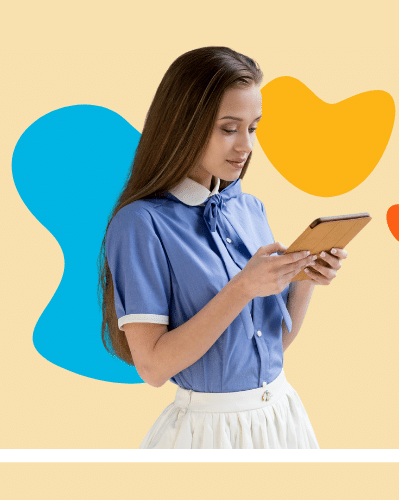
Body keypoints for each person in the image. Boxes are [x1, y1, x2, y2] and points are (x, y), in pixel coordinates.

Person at [99, 46, 347, 449]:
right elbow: (154, 366)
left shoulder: (250, 208)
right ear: (184, 124)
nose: (246, 146)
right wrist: (242, 288)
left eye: (253, 128)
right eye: (229, 128)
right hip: (208, 435)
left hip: (283, 419)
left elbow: (272, 345)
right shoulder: (140, 224)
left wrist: (305, 279)